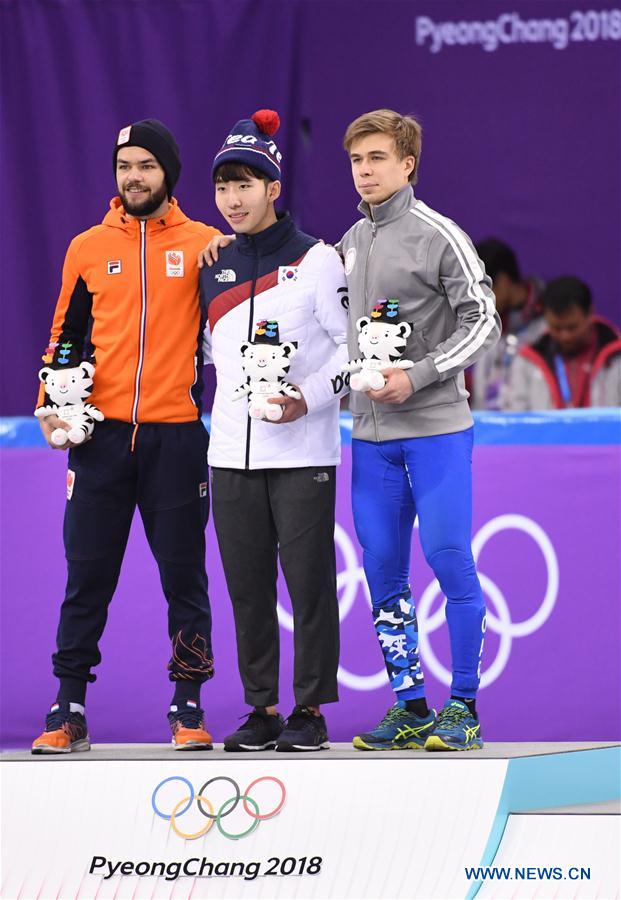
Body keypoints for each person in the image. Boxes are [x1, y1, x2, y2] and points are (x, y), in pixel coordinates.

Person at [32, 119, 220, 754]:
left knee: (185, 578)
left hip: (176, 436)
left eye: (145, 165)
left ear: (168, 171)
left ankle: (188, 705)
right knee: (86, 577)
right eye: (124, 167)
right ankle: (67, 707)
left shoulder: (204, 245)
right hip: (100, 440)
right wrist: (47, 406)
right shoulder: (87, 247)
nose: (133, 177)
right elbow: (66, 335)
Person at [339, 109, 500, 751]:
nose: (366, 171)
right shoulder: (347, 242)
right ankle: (409, 706)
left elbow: (484, 320)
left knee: (449, 558)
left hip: (434, 429)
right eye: (356, 160)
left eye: (378, 158)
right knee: (382, 573)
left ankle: (463, 707)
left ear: (407, 165)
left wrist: (423, 374)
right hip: (370, 438)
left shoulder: (440, 235)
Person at [200, 109, 348, 752]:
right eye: (224, 186)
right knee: (246, 588)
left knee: (309, 582)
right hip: (230, 452)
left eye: (246, 184)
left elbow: (354, 354)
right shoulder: (213, 264)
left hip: (303, 450)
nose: (234, 199)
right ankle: (260, 707)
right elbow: (206, 355)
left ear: (274, 188)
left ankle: (309, 709)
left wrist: (305, 401)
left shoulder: (317, 261)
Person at [505, 276, 620, 409]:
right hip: (547, 431)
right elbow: (515, 418)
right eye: (556, 328)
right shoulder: (526, 360)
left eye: (572, 327)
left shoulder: (617, 355)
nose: (565, 336)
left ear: (590, 313)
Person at [470, 238, 545, 409]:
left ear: (503, 281)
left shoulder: (551, 325)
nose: (477, 300)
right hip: (488, 430)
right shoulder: (483, 323)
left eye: (482, 290)